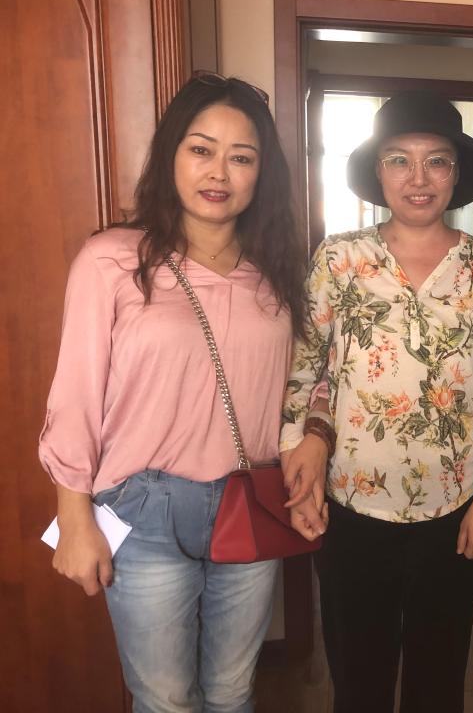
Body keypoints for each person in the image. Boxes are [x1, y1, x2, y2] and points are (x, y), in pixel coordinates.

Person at [39, 72, 307, 711]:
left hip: (249, 499)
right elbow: (75, 396)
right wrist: (73, 518)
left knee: (233, 692)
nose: (219, 172)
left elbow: (306, 383)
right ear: (171, 156)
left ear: (261, 175)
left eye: (241, 157)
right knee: (164, 700)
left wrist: (310, 451)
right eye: (201, 149)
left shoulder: (276, 276)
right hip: (143, 508)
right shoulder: (112, 259)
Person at [279, 90, 473, 713]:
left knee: (439, 681)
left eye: (436, 161)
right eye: (399, 160)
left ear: (456, 174)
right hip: (352, 507)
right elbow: (303, 372)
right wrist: (300, 469)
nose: (418, 178)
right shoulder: (339, 259)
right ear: (378, 171)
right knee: (359, 682)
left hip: (455, 507)